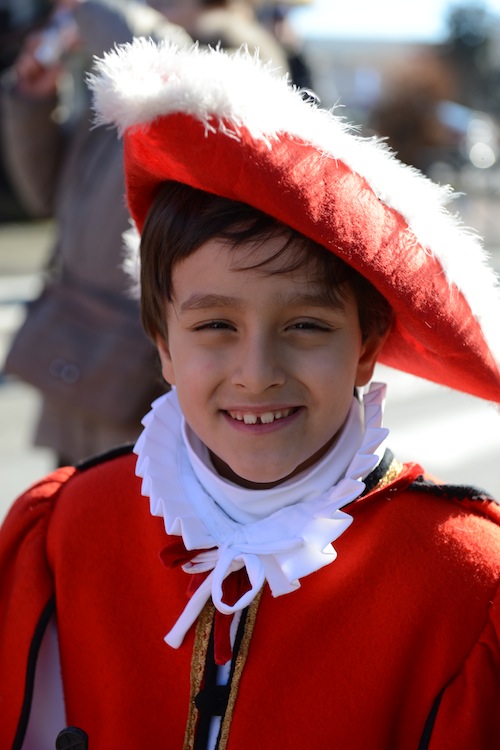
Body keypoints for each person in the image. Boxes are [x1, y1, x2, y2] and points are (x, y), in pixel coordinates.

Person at [1, 39, 500, 750]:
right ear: (163, 343)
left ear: (365, 345)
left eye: (304, 325)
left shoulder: (467, 581)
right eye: (214, 326)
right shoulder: (65, 533)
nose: (257, 371)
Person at [0, 0, 191, 466]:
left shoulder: (215, 48)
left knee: (124, 510)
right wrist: (34, 99)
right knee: (68, 514)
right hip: (79, 342)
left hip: (134, 358)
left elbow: (159, 57)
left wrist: (87, 7)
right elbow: (45, 193)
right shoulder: (114, 82)